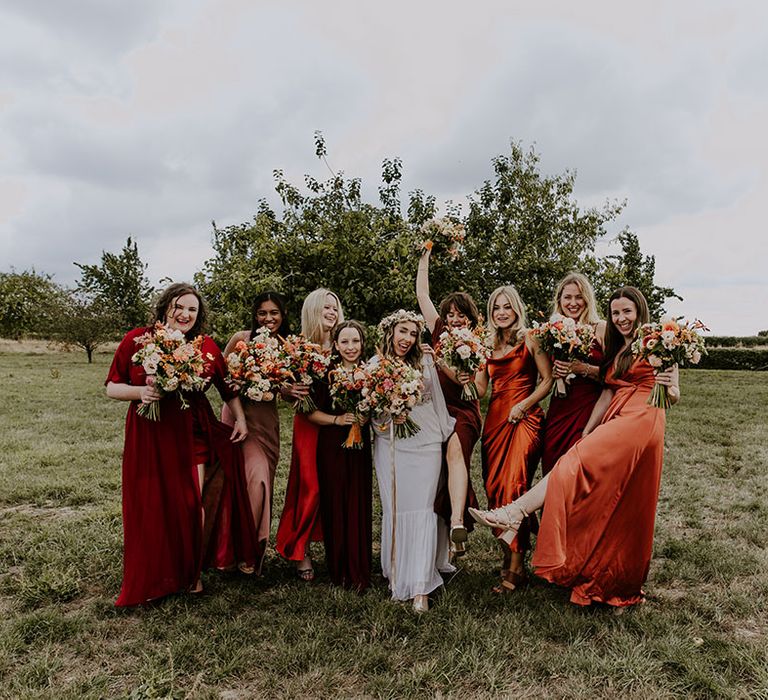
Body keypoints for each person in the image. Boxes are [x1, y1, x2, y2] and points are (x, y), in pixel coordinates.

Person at [470, 286, 679, 609]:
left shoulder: (656, 339)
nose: (621, 318)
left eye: (627, 312)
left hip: (643, 418)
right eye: (616, 313)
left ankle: (515, 511)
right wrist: (587, 429)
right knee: (616, 498)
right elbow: (609, 391)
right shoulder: (617, 346)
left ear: (640, 311)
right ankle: (606, 574)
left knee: (572, 465)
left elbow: (675, 393)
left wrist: (669, 387)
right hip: (617, 413)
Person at [106, 283, 257, 606]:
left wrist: (241, 418)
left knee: (191, 502)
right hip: (151, 433)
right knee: (154, 503)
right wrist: (140, 393)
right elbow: (111, 387)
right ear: (164, 308)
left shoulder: (205, 347)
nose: (186, 314)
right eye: (180, 306)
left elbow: (225, 388)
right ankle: (157, 570)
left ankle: (191, 572)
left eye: (192, 309)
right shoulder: (137, 340)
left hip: (192, 433)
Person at [371, 310, 456, 613]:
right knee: (395, 508)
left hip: (426, 442)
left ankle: (420, 584)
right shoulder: (375, 365)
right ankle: (397, 570)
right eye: (402, 332)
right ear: (390, 332)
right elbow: (371, 412)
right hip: (391, 444)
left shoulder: (424, 361)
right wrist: (390, 411)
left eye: (412, 334)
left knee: (422, 510)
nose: (407, 339)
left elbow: (435, 400)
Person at [474, 285, 552, 593]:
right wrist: (460, 373)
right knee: (495, 490)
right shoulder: (486, 345)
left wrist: (523, 405)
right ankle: (508, 555)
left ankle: (517, 568)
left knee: (514, 485)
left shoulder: (531, 339)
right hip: (495, 422)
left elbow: (547, 380)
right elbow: (480, 389)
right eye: (496, 308)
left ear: (516, 309)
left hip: (525, 420)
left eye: (507, 307)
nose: (502, 312)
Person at [416, 246, 482, 557]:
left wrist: (441, 362)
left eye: (461, 315)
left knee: (456, 452)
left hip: (464, 412)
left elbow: (469, 384)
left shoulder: (479, 343)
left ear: (471, 318)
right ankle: (450, 536)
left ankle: (457, 522)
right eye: (451, 314)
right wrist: (424, 258)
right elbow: (422, 296)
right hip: (434, 412)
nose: (455, 319)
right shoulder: (438, 331)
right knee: (438, 470)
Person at [275, 288, 344, 580]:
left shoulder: (345, 345)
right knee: (309, 486)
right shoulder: (299, 348)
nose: (331, 312)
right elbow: (282, 387)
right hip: (309, 423)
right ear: (313, 311)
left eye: (335, 308)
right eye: (325, 308)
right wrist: (287, 389)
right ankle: (299, 549)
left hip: (340, 424)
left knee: (332, 486)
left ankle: (332, 544)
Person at [221, 291, 291, 575]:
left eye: (274, 313)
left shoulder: (287, 346)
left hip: (265, 423)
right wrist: (242, 382)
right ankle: (234, 550)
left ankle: (252, 551)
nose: (268, 318)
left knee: (262, 482)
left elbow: (288, 394)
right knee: (247, 481)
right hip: (237, 419)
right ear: (255, 315)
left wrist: (286, 389)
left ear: (282, 315)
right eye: (262, 313)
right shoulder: (241, 339)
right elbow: (222, 378)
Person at [307, 320, 372, 591]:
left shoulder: (371, 373)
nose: (350, 347)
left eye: (355, 341)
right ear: (335, 345)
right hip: (332, 443)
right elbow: (309, 412)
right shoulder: (325, 374)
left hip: (360, 447)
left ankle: (359, 568)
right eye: (344, 342)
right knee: (335, 502)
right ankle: (338, 568)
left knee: (358, 502)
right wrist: (338, 420)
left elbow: (376, 407)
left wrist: (364, 416)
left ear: (362, 343)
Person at [540, 272, 606, 476]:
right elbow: (541, 375)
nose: (573, 303)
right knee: (552, 461)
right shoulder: (551, 332)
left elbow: (614, 374)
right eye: (567, 297)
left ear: (588, 299)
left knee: (577, 467)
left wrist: (582, 368)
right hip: (560, 408)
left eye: (579, 297)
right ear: (559, 300)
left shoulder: (600, 328)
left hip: (589, 408)